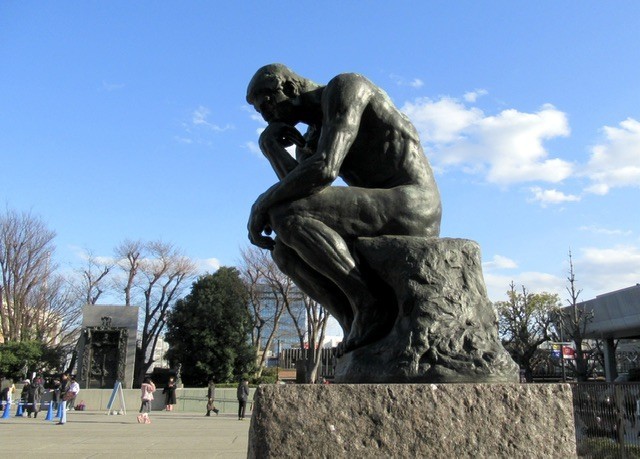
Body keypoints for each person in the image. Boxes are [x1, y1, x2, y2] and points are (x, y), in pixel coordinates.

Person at [246, 64, 442, 355]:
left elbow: (324, 170)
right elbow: (301, 191)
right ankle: (352, 321)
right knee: (284, 251)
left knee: (284, 213)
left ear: (288, 88)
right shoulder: (313, 136)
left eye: (267, 105)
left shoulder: (345, 88)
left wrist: (262, 204)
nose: (266, 117)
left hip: (413, 204)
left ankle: (370, 303)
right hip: (378, 209)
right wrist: (271, 148)